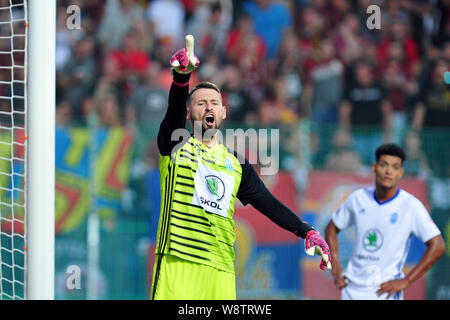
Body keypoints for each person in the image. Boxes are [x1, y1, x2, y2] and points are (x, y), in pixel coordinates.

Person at [150, 35, 332, 300]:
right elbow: (173, 119)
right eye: (200, 103)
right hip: (178, 262)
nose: (208, 106)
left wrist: (307, 231)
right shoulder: (176, 146)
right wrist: (181, 80)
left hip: (221, 268)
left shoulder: (235, 164)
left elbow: (267, 203)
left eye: (214, 102)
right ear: (190, 114)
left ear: (223, 112)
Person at [325, 143, 446, 300]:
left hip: (386, 293)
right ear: (374, 167)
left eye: (395, 167)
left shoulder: (410, 205)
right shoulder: (358, 198)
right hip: (352, 290)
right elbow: (331, 228)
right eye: (384, 165)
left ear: (400, 173)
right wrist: (335, 267)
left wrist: (407, 280)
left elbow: (438, 245)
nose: (389, 171)